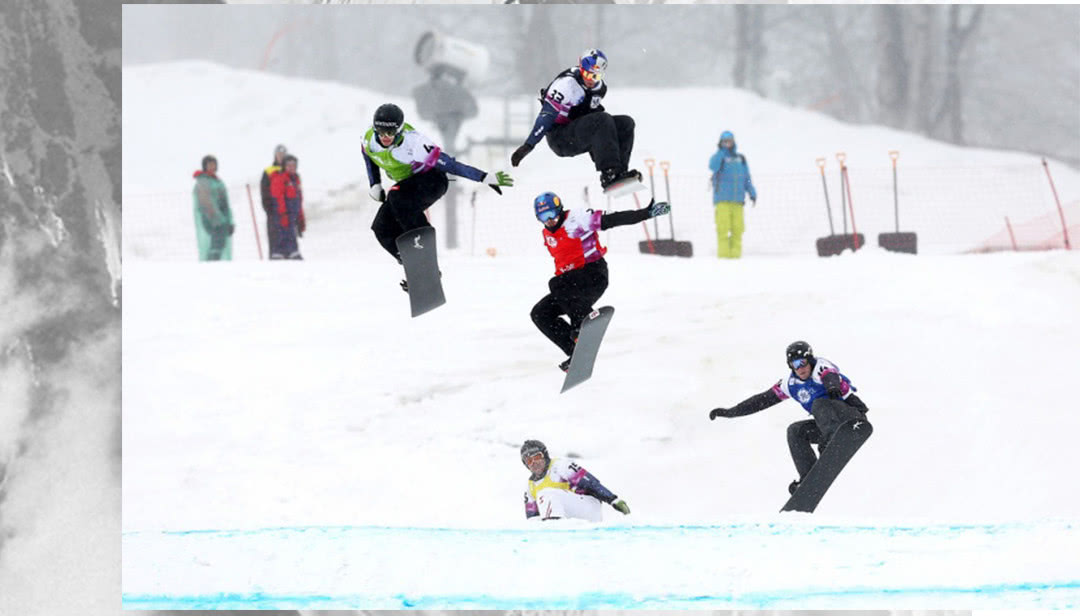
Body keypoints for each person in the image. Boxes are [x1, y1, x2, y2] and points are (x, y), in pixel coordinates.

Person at [363, 103, 513, 285]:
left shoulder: (416, 143)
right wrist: (375, 183)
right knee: (381, 227)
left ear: (400, 130)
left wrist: (483, 177)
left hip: (433, 181)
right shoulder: (369, 139)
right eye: (380, 131)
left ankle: (424, 250)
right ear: (374, 127)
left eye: (391, 133)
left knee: (396, 196)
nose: (385, 137)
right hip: (407, 187)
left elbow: (450, 164)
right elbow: (369, 156)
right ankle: (414, 267)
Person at [529, 191, 670, 371]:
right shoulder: (547, 233)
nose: (549, 220)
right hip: (571, 290)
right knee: (540, 313)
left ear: (560, 209)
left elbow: (612, 220)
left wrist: (645, 213)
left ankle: (584, 323)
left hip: (592, 275)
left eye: (552, 214)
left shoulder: (577, 218)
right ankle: (576, 351)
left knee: (556, 283)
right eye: (543, 217)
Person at [707, 341, 871, 495]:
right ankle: (809, 479)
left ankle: (831, 444)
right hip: (830, 428)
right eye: (795, 365)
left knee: (819, 404)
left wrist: (832, 387)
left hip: (851, 418)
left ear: (810, 360)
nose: (800, 368)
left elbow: (830, 375)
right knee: (795, 430)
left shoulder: (821, 367)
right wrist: (731, 412)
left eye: (803, 363)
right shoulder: (790, 384)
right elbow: (761, 400)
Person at [510, 49, 640, 192]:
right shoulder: (566, 85)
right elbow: (546, 116)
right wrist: (528, 145)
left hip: (578, 129)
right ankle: (609, 175)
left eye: (596, 76)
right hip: (560, 138)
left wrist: (599, 149)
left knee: (626, 123)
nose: (591, 79)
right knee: (603, 119)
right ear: (581, 69)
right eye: (588, 74)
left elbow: (592, 119)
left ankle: (619, 173)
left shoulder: (600, 89)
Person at [520, 440, 630, 522]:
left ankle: (554, 530)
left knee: (546, 493)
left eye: (537, 457)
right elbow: (532, 519)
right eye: (529, 460)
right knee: (536, 518)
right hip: (566, 514)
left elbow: (590, 483)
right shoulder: (530, 486)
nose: (534, 462)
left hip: (588, 509)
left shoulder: (560, 466)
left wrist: (613, 500)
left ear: (545, 455)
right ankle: (553, 529)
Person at [708, 131, 757, 259]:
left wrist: (752, 192)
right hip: (722, 200)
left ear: (734, 141)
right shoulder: (719, 157)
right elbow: (712, 167)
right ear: (721, 142)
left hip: (738, 201)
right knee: (723, 229)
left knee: (738, 229)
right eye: (725, 141)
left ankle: (735, 257)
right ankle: (724, 257)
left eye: (729, 140)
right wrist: (721, 152)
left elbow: (746, 178)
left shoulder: (741, 159)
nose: (727, 143)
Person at [191, 155, 234, 261]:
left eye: (214, 164)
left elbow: (225, 204)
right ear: (204, 166)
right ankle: (211, 264)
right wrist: (216, 218)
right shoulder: (203, 181)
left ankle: (214, 262)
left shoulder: (218, 181)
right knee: (217, 243)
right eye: (209, 164)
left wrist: (229, 221)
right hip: (211, 218)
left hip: (221, 219)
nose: (212, 166)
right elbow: (205, 202)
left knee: (219, 243)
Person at [268, 154, 305, 260]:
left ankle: (291, 252)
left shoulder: (295, 179)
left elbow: (299, 198)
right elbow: (278, 196)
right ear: (284, 166)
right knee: (283, 233)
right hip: (283, 213)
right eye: (289, 165)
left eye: (294, 165)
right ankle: (281, 253)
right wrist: (282, 213)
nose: (292, 167)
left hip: (293, 213)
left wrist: (300, 217)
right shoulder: (280, 178)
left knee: (291, 233)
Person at [260, 144, 289, 253]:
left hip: (288, 213)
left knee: (289, 241)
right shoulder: (269, 171)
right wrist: (269, 209)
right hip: (274, 212)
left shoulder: (289, 171)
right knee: (275, 240)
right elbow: (264, 191)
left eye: (283, 154)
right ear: (275, 156)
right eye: (279, 154)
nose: (281, 157)